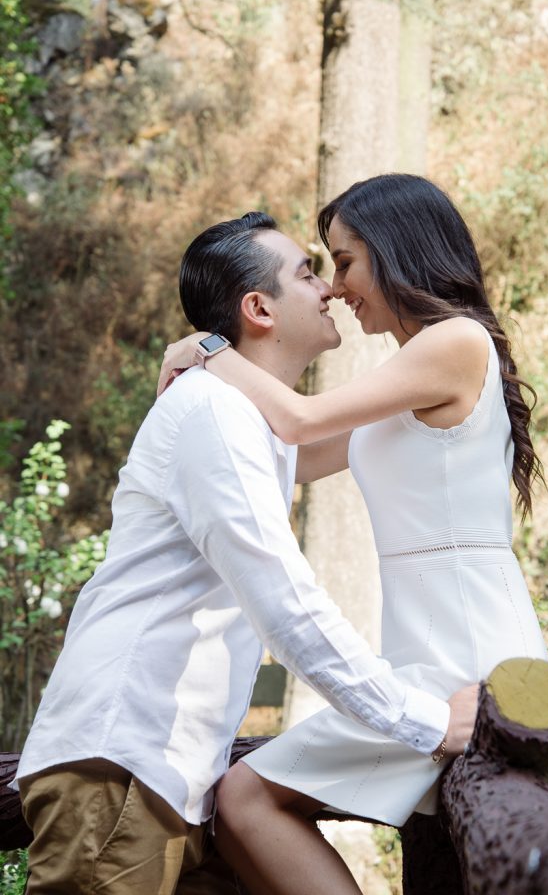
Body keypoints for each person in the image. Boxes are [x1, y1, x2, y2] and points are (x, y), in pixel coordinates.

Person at [14, 212, 476, 895]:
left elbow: (365, 434)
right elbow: (284, 605)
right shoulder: (214, 413)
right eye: (307, 273)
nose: (328, 288)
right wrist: (427, 723)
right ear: (259, 309)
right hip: (122, 766)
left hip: (170, 777)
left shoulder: (248, 422)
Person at [159, 173, 548, 895]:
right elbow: (296, 459)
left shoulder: (456, 342)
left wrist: (212, 350)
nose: (336, 288)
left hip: (470, 651)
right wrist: (195, 423)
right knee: (247, 798)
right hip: (425, 658)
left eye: (344, 263)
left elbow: (300, 421)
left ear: (397, 251)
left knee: (245, 796)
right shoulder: (410, 372)